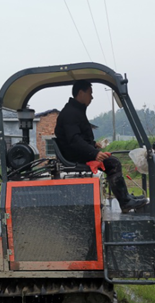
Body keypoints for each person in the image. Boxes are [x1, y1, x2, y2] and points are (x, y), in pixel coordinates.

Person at [54, 80, 148, 212]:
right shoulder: (70, 113)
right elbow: (74, 140)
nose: (92, 97)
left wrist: (94, 145)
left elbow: (79, 138)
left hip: (76, 153)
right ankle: (125, 202)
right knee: (113, 163)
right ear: (81, 93)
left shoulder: (75, 110)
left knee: (112, 160)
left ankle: (126, 198)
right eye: (90, 93)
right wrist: (94, 153)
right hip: (74, 157)